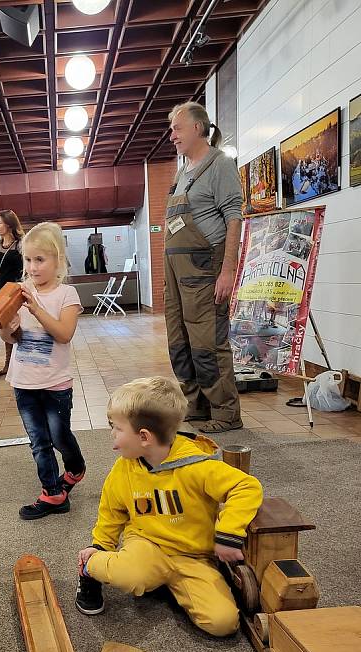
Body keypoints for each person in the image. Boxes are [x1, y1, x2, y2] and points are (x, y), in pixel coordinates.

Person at [75, 376, 263, 637]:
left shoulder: (198, 465)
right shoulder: (123, 469)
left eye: (116, 428)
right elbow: (111, 513)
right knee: (130, 575)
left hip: (193, 556)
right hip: (146, 546)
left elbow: (246, 487)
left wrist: (228, 535)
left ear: (144, 437)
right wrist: (100, 547)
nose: (112, 435)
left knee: (223, 623)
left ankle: (166, 583)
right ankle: (88, 565)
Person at [165, 101, 243, 433]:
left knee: (207, 341)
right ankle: (195, 405)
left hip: (204, 267)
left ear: (198, 128)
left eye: (177, 128)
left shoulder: (220, 165)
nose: (172, 136)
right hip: (176, 271)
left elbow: (234, 219)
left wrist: (227, 271)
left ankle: (225, 412)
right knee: (179, 340)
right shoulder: (183, 170)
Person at [0, 222, 85, 520]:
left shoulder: (67, 294)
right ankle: (53, 493)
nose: (33, 267)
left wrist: (35, 308)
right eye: (28, 260)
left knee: (60, 437)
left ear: (58, 260)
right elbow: (10, 339)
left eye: (40, 259)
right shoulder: (17, 294)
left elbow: (63, 334)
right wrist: (9, 330)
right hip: (23, 382)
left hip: (55, 384)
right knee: (39, 441)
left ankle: (75, 468)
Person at [0, 210, 24, 376]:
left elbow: (26, 267)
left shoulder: (21, 244)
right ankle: (8, 363)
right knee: (5, 326)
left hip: (16, 292)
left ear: (9, 224)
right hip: (1, 292)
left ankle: (21, 360)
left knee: (18, 326)